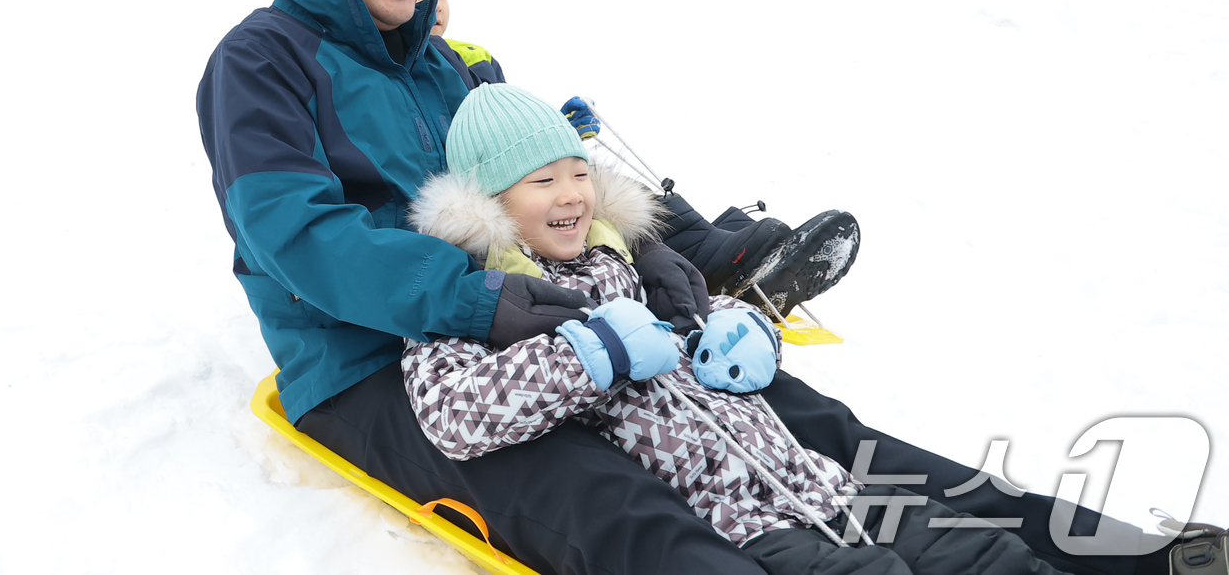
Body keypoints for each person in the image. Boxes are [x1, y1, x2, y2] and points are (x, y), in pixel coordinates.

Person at [198, 0, 1212, 575]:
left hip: (548, 313)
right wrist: (477, 301)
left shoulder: (446, 65)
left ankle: (1113, 552)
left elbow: (552, 178)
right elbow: (295, 235)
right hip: (382, 365)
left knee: (806, 422)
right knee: (613, 502)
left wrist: (647, 251)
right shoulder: (263, 61)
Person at [402, 82, 1067, 575]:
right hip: (733, 519)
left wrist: (735, 327)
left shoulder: (614, 251)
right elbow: (451, 413)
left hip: (813, 477)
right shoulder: (473, 292)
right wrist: (588, 355)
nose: (572, 193)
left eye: (580, 173)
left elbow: (679, 331)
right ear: (490, 201)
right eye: (543, 180)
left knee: (986, 553)